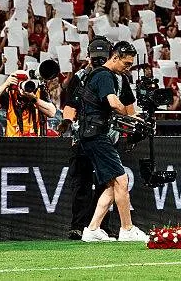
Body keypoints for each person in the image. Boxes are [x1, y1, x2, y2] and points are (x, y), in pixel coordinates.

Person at [75, 41, 148, 242]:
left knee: (111, 185)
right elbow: (114, 103)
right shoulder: (104, 75)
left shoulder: (104, 75)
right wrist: (132, 117)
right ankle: (127, 229)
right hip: (96, 136)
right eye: (125, 63)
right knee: (122, 180)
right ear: (114, 57)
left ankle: (92, 230)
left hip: (93, 135)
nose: (128, 68)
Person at [60, 36, 114, 240]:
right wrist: (67, 121)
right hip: (81, 136)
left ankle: (102, 226)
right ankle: (78, 226)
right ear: (89, 57)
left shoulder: (116, 77)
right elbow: (69, 105)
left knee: (106, 183)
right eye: (96, 58)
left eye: (102, 57)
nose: (99, 61)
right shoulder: (79, 77)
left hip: (106, 136)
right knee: (81, 182)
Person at [0, 70, 57, 136]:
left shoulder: (37, 92)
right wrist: (5, 84)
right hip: (13, 143)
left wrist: (34, 99)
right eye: (18, 81)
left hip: (34, 142)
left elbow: (52, 112)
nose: (21, 85)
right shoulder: (10, 94)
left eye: (24, 81)